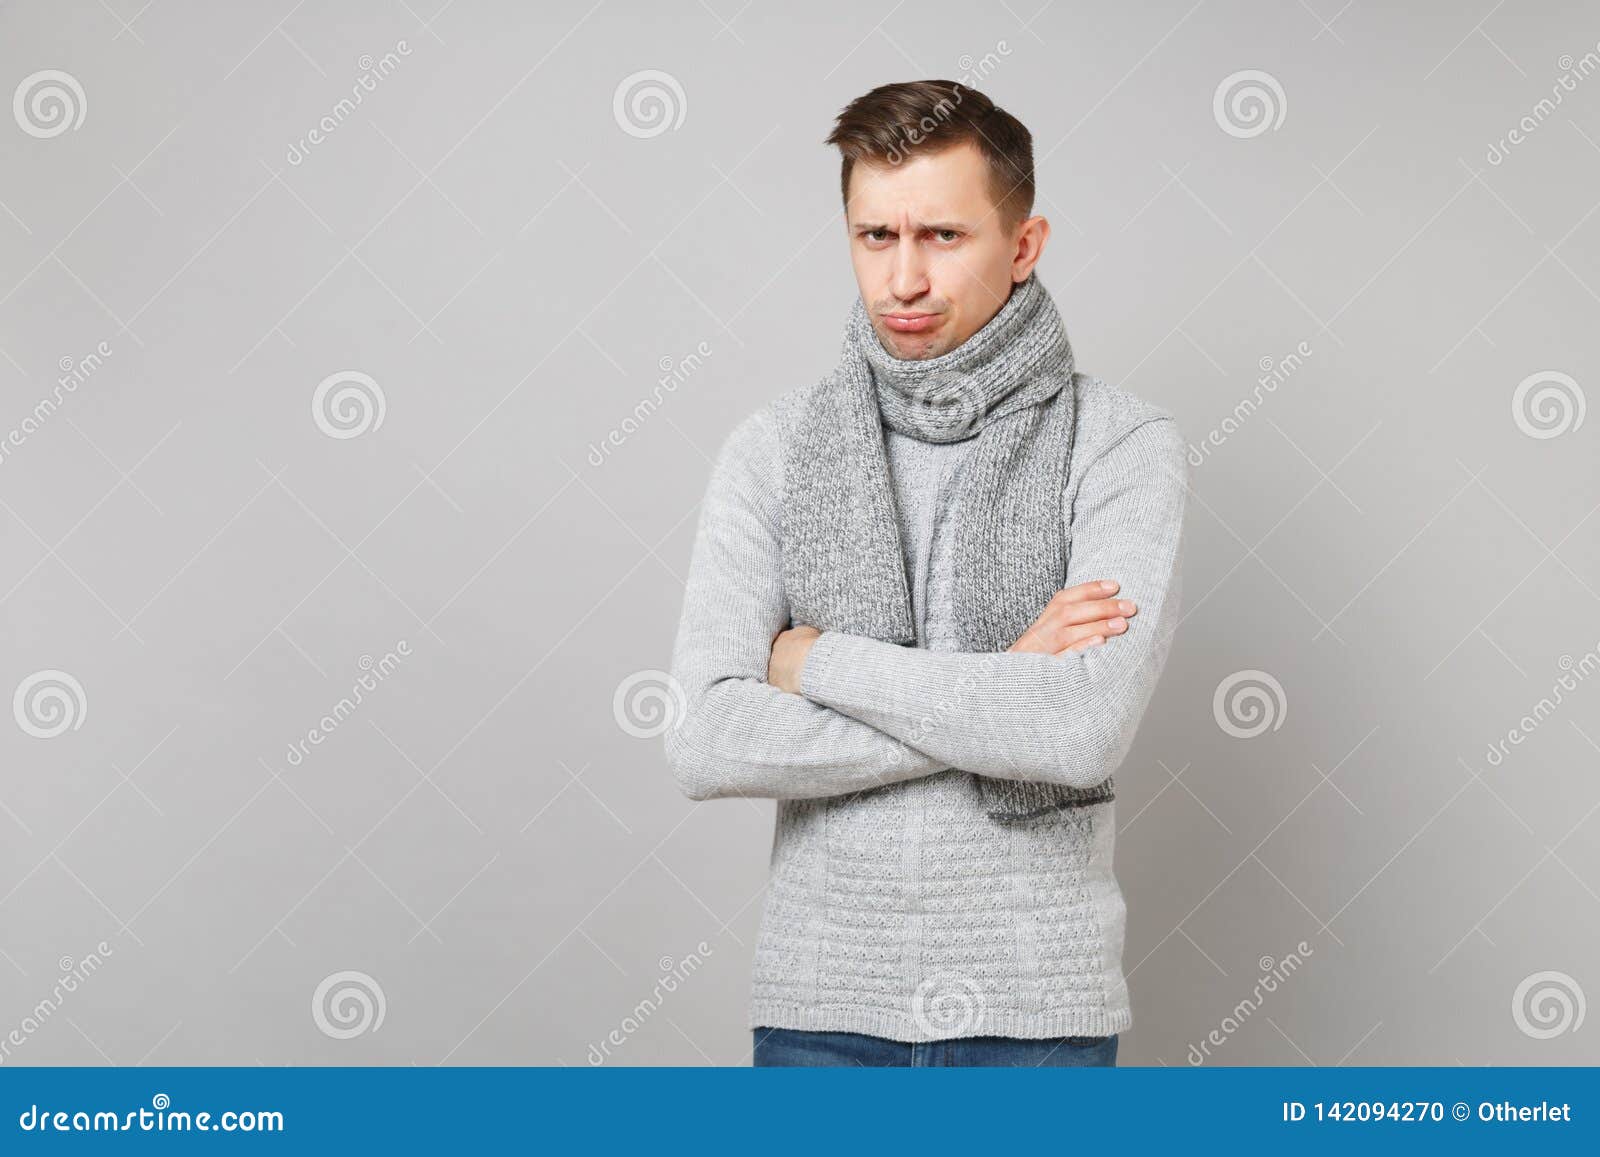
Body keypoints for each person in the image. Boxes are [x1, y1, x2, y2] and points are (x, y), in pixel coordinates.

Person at [662, 79, 1189, 1068]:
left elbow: (1077, 729)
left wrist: (817, 661)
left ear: (1023, 244)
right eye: (874, 237)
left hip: (1037, 1014)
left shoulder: (1119, 444)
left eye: (942, 237)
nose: (901, 278)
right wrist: (1002, 687)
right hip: (820, 1006)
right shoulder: (774, 448)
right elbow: (705, 737)